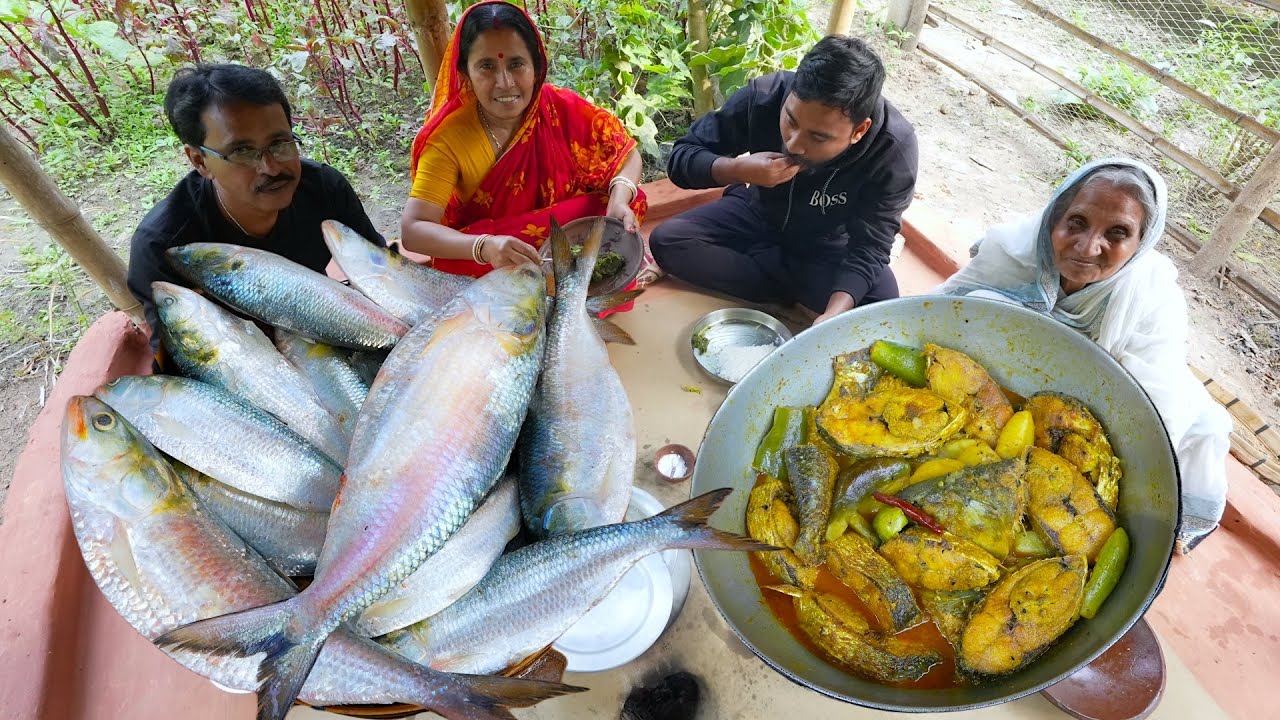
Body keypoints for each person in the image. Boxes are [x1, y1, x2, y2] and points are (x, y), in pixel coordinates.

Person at [938, 158, 1231, 553]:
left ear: (1141, 242)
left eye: (1117, 233)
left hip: (1100, 395)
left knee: (1204, 428)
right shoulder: (1012, 250)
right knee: (980, 304)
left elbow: (1156, 399)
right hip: (1010, 373)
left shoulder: (1152, 296)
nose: (1088, 246)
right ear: (1054, 218)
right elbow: (944, 309)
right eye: (1076, 222)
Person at [648, 35, 917, 326]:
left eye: (818, 137)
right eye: (791, 120)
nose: (794, 144)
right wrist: (737, 170)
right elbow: (682, 157)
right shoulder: (765, 96)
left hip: (827, 244)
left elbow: (871, 246)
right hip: (755, 213)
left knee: (881, 304)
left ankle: (772, 279)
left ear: (859, 131)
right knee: (669, 241)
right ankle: (790, 287)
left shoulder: (893, 149)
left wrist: (832, 316)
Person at [127, 63, 385, 353]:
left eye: (280, 142)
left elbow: (379, 274)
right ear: (199, 161)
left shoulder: (324, 189)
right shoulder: (164, 247)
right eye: (242, 151)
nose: (271, 167)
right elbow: (188, 357)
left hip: (328, 335)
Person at [401, 0, 646, 277]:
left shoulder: (560, 107)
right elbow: (413, 230)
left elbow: (628, 155)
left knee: (615, 207)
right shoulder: (448, 140)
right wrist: (484, 246)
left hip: (563, 244)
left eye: (517, 64)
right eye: (486, 66)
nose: (505, 82)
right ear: (464, 73)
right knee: (455, 263)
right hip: (498, 259)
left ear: (536, 66)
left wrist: (620, 199)